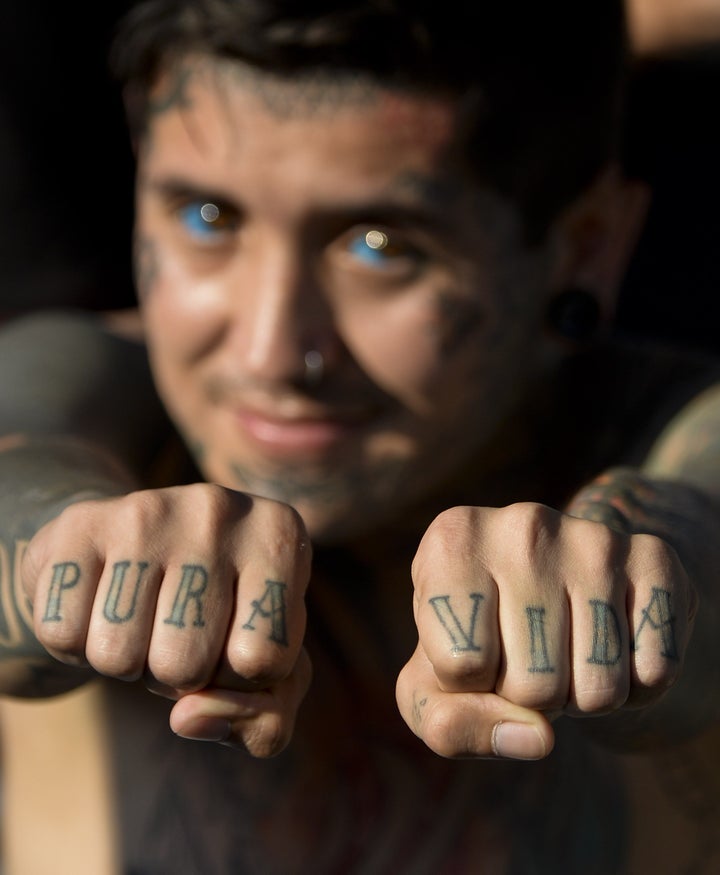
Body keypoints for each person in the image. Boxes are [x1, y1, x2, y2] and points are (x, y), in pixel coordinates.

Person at [1, 1, 720, 872]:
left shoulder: (671, 418)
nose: (273, 352)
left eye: (380, 245)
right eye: (209, 219)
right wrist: (71, 553)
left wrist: (638, 580)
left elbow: (703, 531)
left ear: (586, 245)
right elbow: (19, 467)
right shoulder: (97, 389)